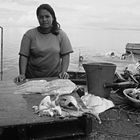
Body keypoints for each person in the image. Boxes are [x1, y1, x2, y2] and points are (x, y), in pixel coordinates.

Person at [14, 4, 73, 84]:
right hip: (32, 79)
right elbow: (23, 56)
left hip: (54, 79)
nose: (44, 19)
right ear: (37, 18)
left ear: (52, 17)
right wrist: (22, 74)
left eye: (47, 16)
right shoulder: (29, 35)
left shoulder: (61, 35)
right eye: (41, 17)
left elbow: (65, 55)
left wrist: (63, 72)